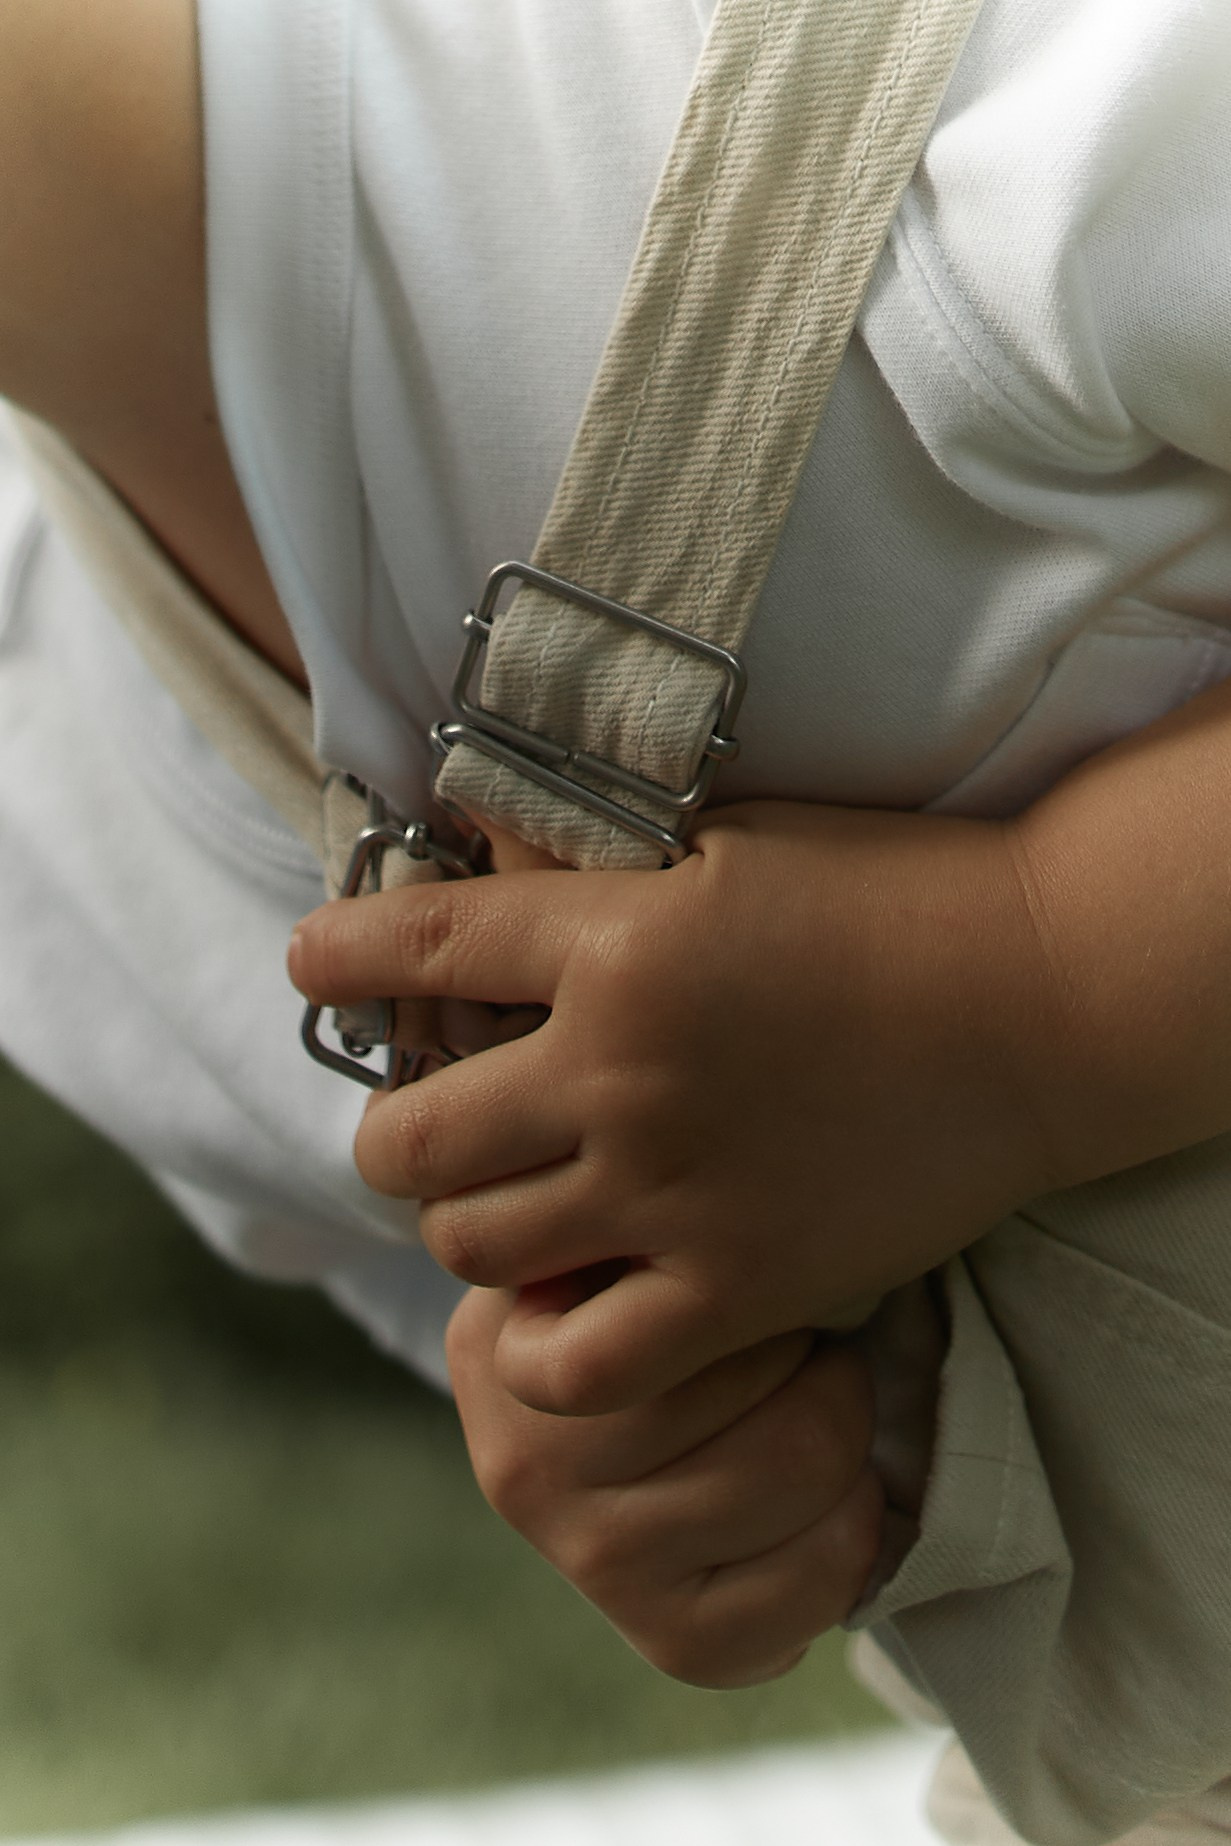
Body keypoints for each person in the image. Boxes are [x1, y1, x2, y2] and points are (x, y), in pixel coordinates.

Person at [3, 0, 1231, 1840]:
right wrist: (649, 1438)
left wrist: (1031, 989)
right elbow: (736, 1381)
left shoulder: (1012, 90)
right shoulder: (52, 805)